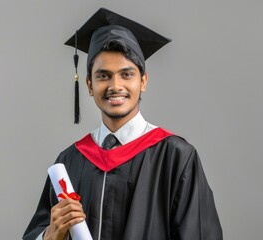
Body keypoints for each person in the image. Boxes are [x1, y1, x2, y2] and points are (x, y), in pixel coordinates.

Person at [23, 8, 222, 240]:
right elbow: (37, 232)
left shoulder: (176, 157)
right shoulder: (70, 161)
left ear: (143, 81)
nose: (115, 86)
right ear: (89, 85)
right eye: (103, 76)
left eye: (126, 75)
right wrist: (49, 235)